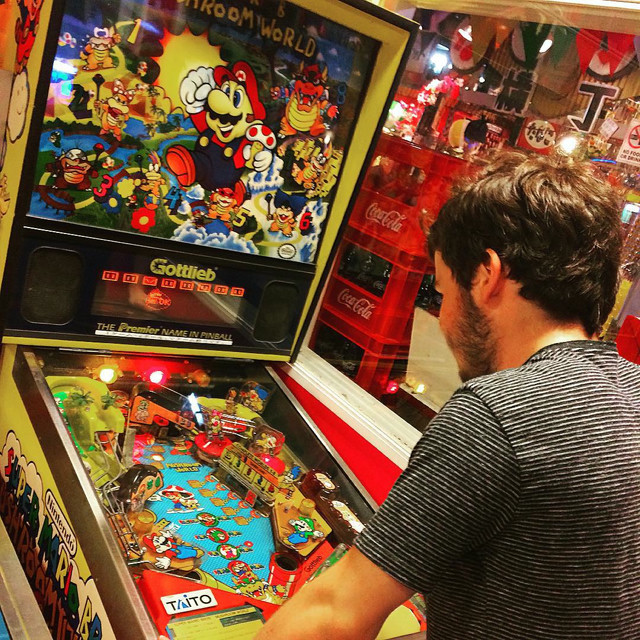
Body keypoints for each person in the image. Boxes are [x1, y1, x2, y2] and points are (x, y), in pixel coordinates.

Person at [254, 152, 640, 640]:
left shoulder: (498, 413)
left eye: (441, 291)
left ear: (486, 275)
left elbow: (335, 614)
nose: (441, 316)